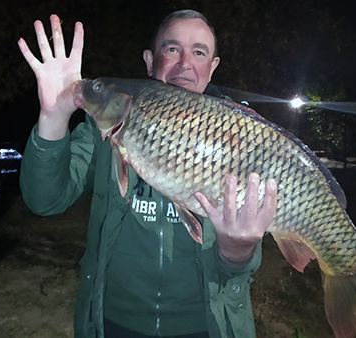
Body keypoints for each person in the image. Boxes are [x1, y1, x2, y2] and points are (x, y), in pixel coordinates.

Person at [17, 10, 278, 338]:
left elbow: (239, 266)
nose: (185, 63)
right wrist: (54, 115)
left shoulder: (239, 136)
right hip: (112, 323)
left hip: (208, 327)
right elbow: (44, 200)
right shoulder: (103, 130)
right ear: (149, 60)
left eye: (199, 52)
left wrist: (238, 252)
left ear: (212, 67)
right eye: (171, 49)